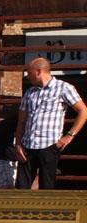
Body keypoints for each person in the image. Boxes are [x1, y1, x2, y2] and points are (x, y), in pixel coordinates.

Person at [15, 57, 87, 191]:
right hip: (28, 145)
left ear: (38, 71)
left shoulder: (64, 88)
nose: (28, 76)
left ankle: (44, 211)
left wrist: (70, 135)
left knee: (47, 186)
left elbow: (83, 111)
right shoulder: (30, 92)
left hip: (49, 144)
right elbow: (22, 121)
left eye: (29, 73)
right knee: (22, 187)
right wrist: (18, 144)